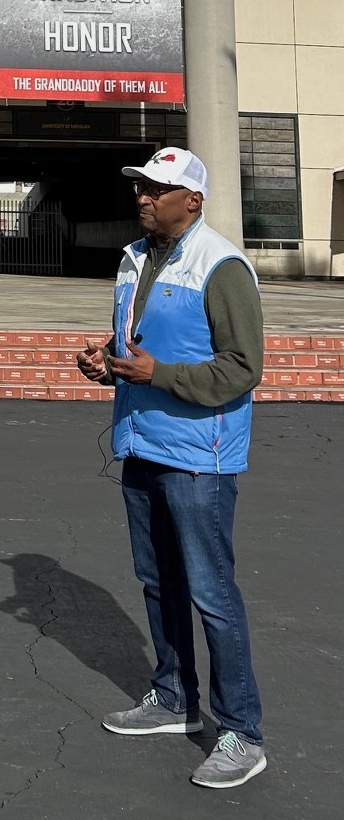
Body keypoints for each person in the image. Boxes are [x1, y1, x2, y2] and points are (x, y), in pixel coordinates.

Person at [77, 148, 266, 790]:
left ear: (194, 200)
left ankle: (242, 733)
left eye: (157, 190)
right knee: (157, 581)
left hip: (198, 457)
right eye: (140, 187)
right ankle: (173, 697)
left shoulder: (222, 266)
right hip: (142, 442)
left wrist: (158, 374)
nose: (143, 198)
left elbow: (243, 369)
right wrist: (107, 358)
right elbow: (138, 341)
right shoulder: (135, 260)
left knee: (211, 592)